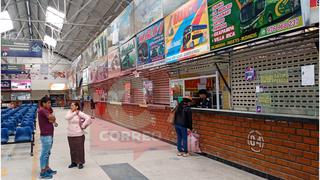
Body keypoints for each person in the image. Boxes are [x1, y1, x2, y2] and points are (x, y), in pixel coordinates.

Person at [65, 102, 91, 169]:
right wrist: (74, 113)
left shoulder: (80, 113)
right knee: (72, 149)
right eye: (71, 105)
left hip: (79, 134)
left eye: (73, 105)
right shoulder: (69, 112)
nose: (71, 106)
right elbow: (67, 118)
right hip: (70, 134)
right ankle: (73, 162)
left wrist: (83, 125)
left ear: (76, 107)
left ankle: (80, 163)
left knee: (79, 149)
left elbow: (88, 118)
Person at [38, 97, 57, 179]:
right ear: (43, 103)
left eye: (50, 103)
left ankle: (47, 168)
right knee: (44, 154)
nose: (50, 104)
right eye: (48, 103)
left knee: (47, 153)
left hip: (50, 134)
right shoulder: (42, 110)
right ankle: (43, 171)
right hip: (46, 135)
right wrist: (52, 118)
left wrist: (52, 118)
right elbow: (52, 118)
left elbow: (52, 119)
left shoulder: (47, 110)